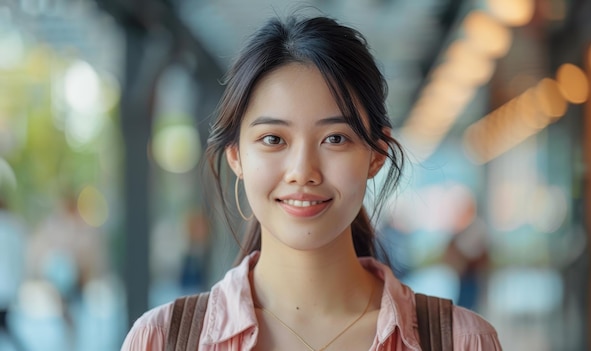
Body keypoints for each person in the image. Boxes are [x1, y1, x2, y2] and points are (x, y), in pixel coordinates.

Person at [122, 14, 502, 350]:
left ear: (376, 153)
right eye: (273, 139)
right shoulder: (160, 339)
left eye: (335, 139)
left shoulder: (462, 341)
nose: (303, 171)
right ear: (236, 156)